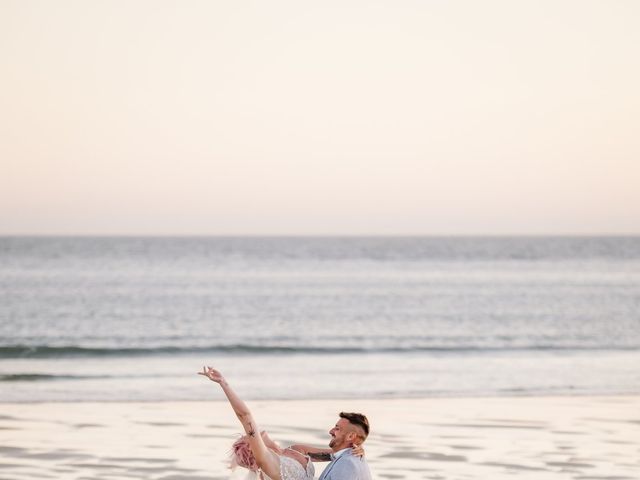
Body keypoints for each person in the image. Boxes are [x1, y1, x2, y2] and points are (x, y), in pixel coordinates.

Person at [198, 366, 370, 480]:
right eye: (249, 437)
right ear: (253, 447)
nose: (259, 433)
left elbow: (336, 454)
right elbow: (245, 416)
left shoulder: (297, 450)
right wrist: (223, 383)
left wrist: (358, 447)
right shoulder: (269, 463)